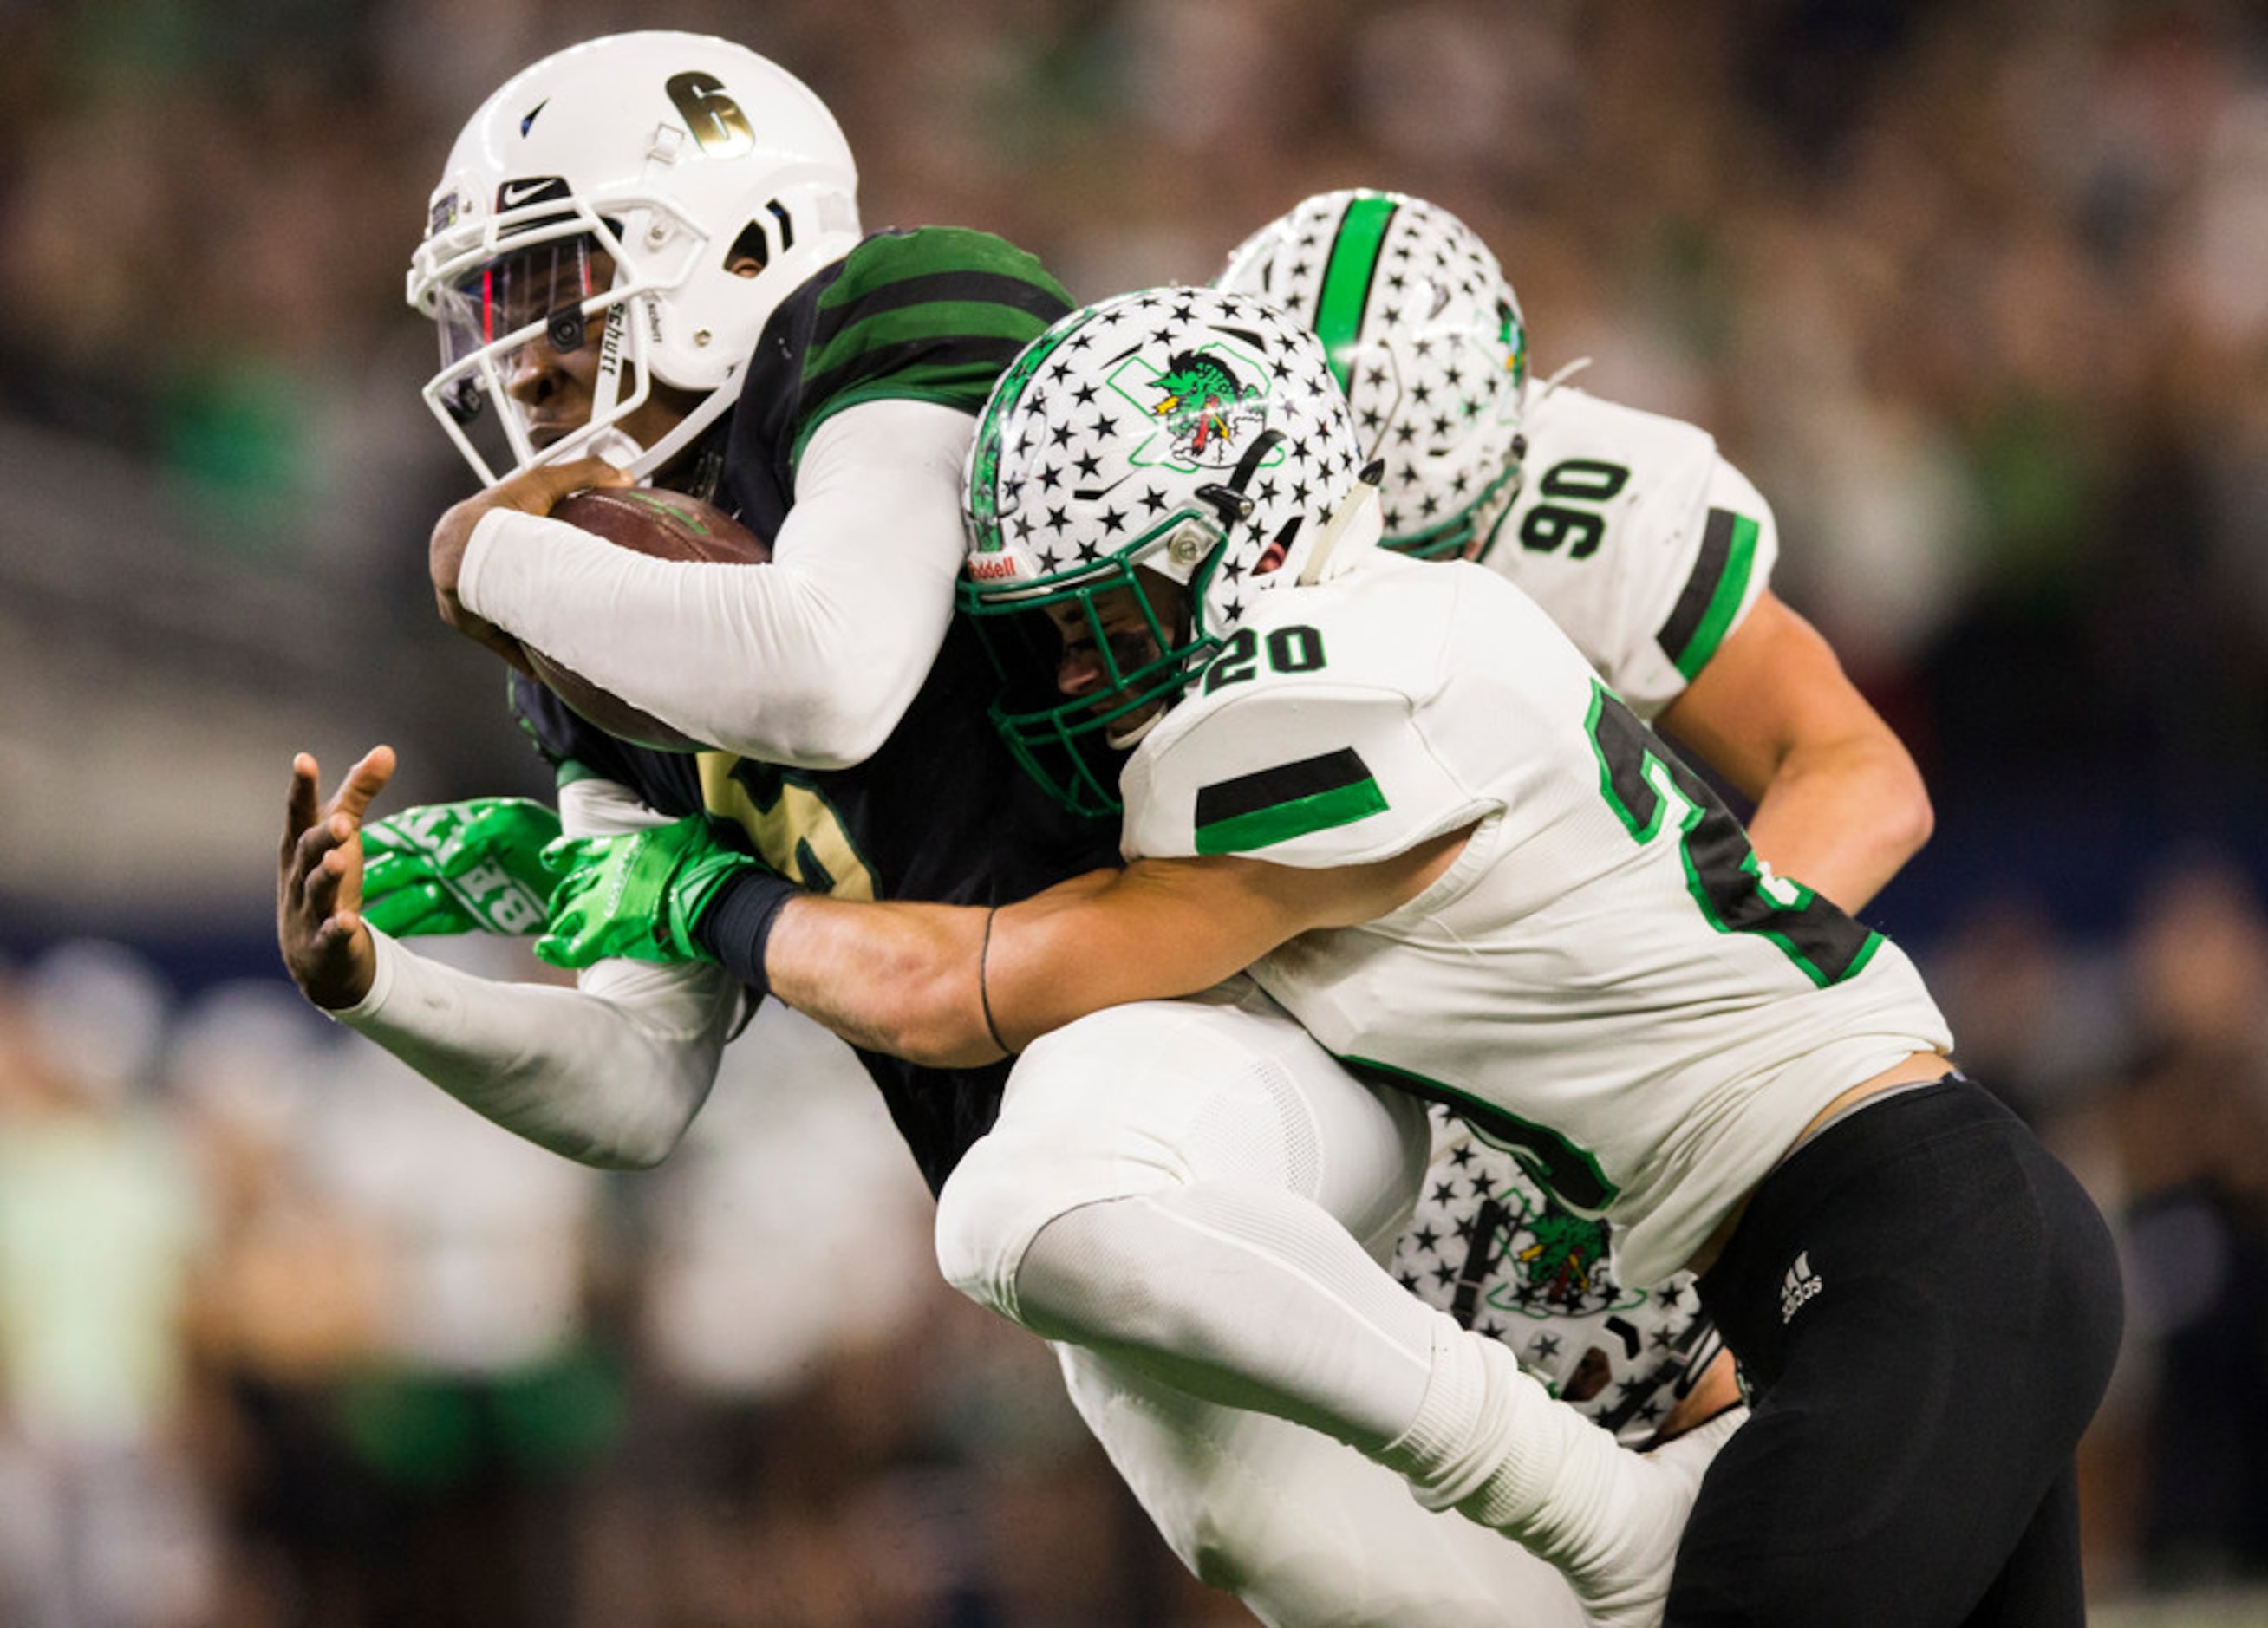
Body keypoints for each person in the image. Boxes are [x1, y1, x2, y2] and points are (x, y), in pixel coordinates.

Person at [281, 29, 1715, 1627]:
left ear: (737, 241)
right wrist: (380, 988)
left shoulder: (887, 319)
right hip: (1064, 1123)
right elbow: (637, 1080)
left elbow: (832, 674)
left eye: (552, 279)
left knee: (1601, 1409)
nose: (516, 351)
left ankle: (1619, 1519)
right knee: (1259, 1537)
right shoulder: (591, 623)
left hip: (1269, 1009)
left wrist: (478, 555)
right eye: (489, 306)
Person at [537, 285, 2122, 1625]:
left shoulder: (1309, 706)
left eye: (1110, 613)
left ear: (1244, 528)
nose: (1080, 673)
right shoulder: (1422, 620)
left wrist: (712, 902)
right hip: (1893, 1240)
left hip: (1895, 1243)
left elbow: (968, 990)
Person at [1208, 189, 1935, 1451]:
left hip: (1594, 1047)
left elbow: (1860, 773)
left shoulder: (1597, 514)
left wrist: (1654, 1022)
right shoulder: (1191, 526)